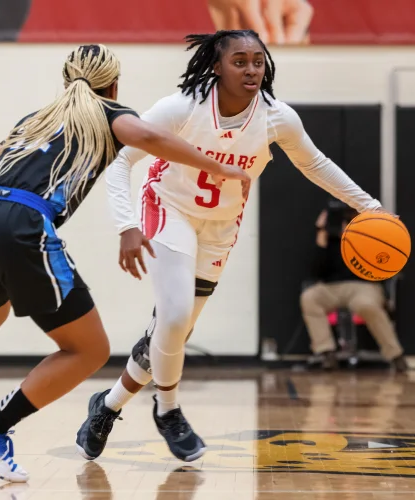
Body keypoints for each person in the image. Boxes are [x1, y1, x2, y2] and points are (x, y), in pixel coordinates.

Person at [0, 44, 249, 483]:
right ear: (113, 83)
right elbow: (154, 139)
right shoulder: (110, 113)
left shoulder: (35, 121)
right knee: (89, 350)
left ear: (66, 81)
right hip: (20, 224)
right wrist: (222, 168)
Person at [75, 30, 394, 463]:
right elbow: (121, 160)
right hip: (168, 207)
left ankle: (107, 407)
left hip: (221, 227)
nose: (251, 69)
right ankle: (169, 411)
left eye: (258, 61)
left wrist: (369, 207)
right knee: (173, 316)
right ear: (216, 66)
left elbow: (315, 164)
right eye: (239, 61)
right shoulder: (182, 107)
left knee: (172, 333)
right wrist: (126, 225)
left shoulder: (277, 117)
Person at [301, 202, 408, 371]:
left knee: (365, 305)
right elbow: (316, 272)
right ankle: (326, 352)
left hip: (364, 287)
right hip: (332, 288)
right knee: (309, 297)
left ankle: (395, 354)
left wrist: (357, 234)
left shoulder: (370, 237)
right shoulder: (329, 240)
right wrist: (321, 232)